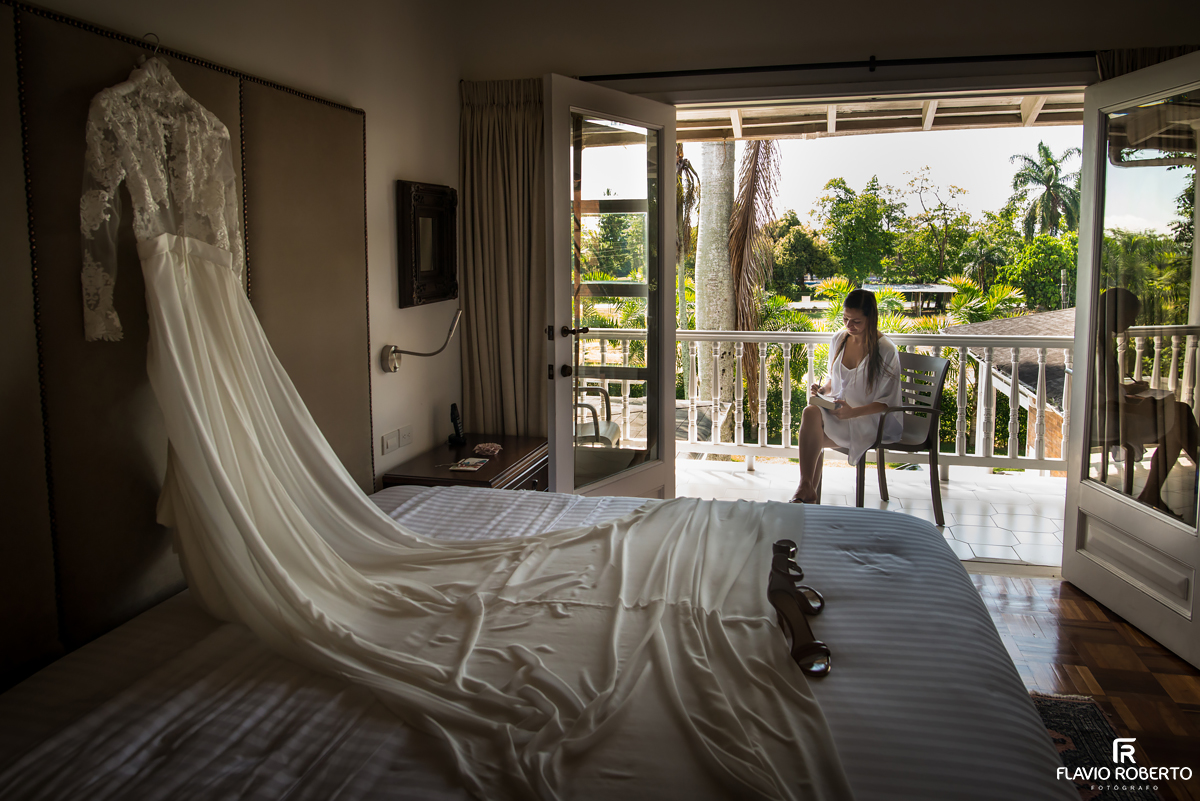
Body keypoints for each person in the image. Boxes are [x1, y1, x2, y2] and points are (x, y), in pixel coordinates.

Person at [791, 289, 902, 504]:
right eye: (845, 319)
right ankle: (806, 488)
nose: (849, 326)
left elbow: (887, 402)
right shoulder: (840, 339)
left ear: (871, 318)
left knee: (810, 439)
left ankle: (807, 491)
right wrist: (822, 391)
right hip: (841, 412)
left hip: (868, 419)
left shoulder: (886, 350)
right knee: (810, 411)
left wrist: (853, 412)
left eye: (856, 321)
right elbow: (835, 383)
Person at [1094, 287, 1198, 513]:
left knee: (1179, 413)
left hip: (1111, 410)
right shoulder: (1098, 347)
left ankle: (1151, 493)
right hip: (1110, 419)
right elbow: (1101, 396)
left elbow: (1102, 387)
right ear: (1116, 313)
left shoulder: (1099, 341)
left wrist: (1127, 389)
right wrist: (1140, 403)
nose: (1133, 322)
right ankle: (1152, 492)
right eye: (1131, 315)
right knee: (1179, 415)